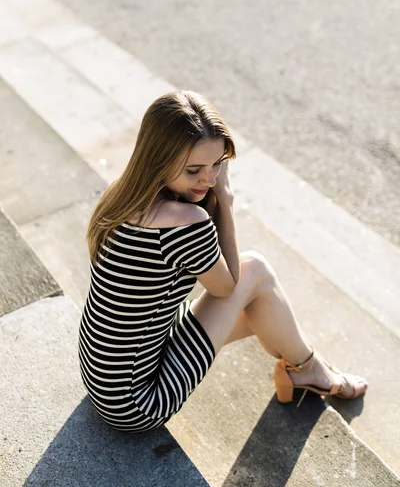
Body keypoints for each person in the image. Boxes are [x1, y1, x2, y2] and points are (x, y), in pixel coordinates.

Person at [78, 90, 368, 433]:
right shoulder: (183, 221)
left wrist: (202, 185)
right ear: (158, 160)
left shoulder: (123, 197)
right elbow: (228, 285)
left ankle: (305, 365)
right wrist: (225, 202)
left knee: (260, 301)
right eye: (194, 170)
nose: (211, 179)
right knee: (255, 272)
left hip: (103, 377)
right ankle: (308, 368)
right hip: (138, 402)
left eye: (217, 164)